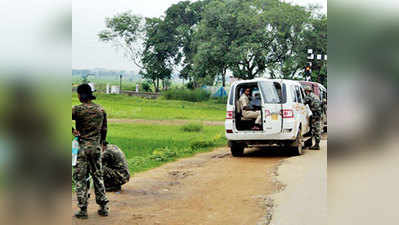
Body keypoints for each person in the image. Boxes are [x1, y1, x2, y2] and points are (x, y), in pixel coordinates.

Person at [72, 84, 109, 219]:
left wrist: (72, 131)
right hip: (96, 148)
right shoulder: (100, 110)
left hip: (82, 149)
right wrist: (103, 143)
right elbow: (104, 129)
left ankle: (83, 210)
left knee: (80, 178)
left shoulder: (77, 109)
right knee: (98, 176)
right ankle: (103, 206)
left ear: (81, 95)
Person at [304, 86, 322, 150]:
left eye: (305, 91)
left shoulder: (308, 96)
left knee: (315, 129)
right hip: (319, 114)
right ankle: (312, 144)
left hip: (315, 114)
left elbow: (303, 103)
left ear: (306, 91)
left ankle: (316, 145)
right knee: (316, 128)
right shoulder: (315, 96)